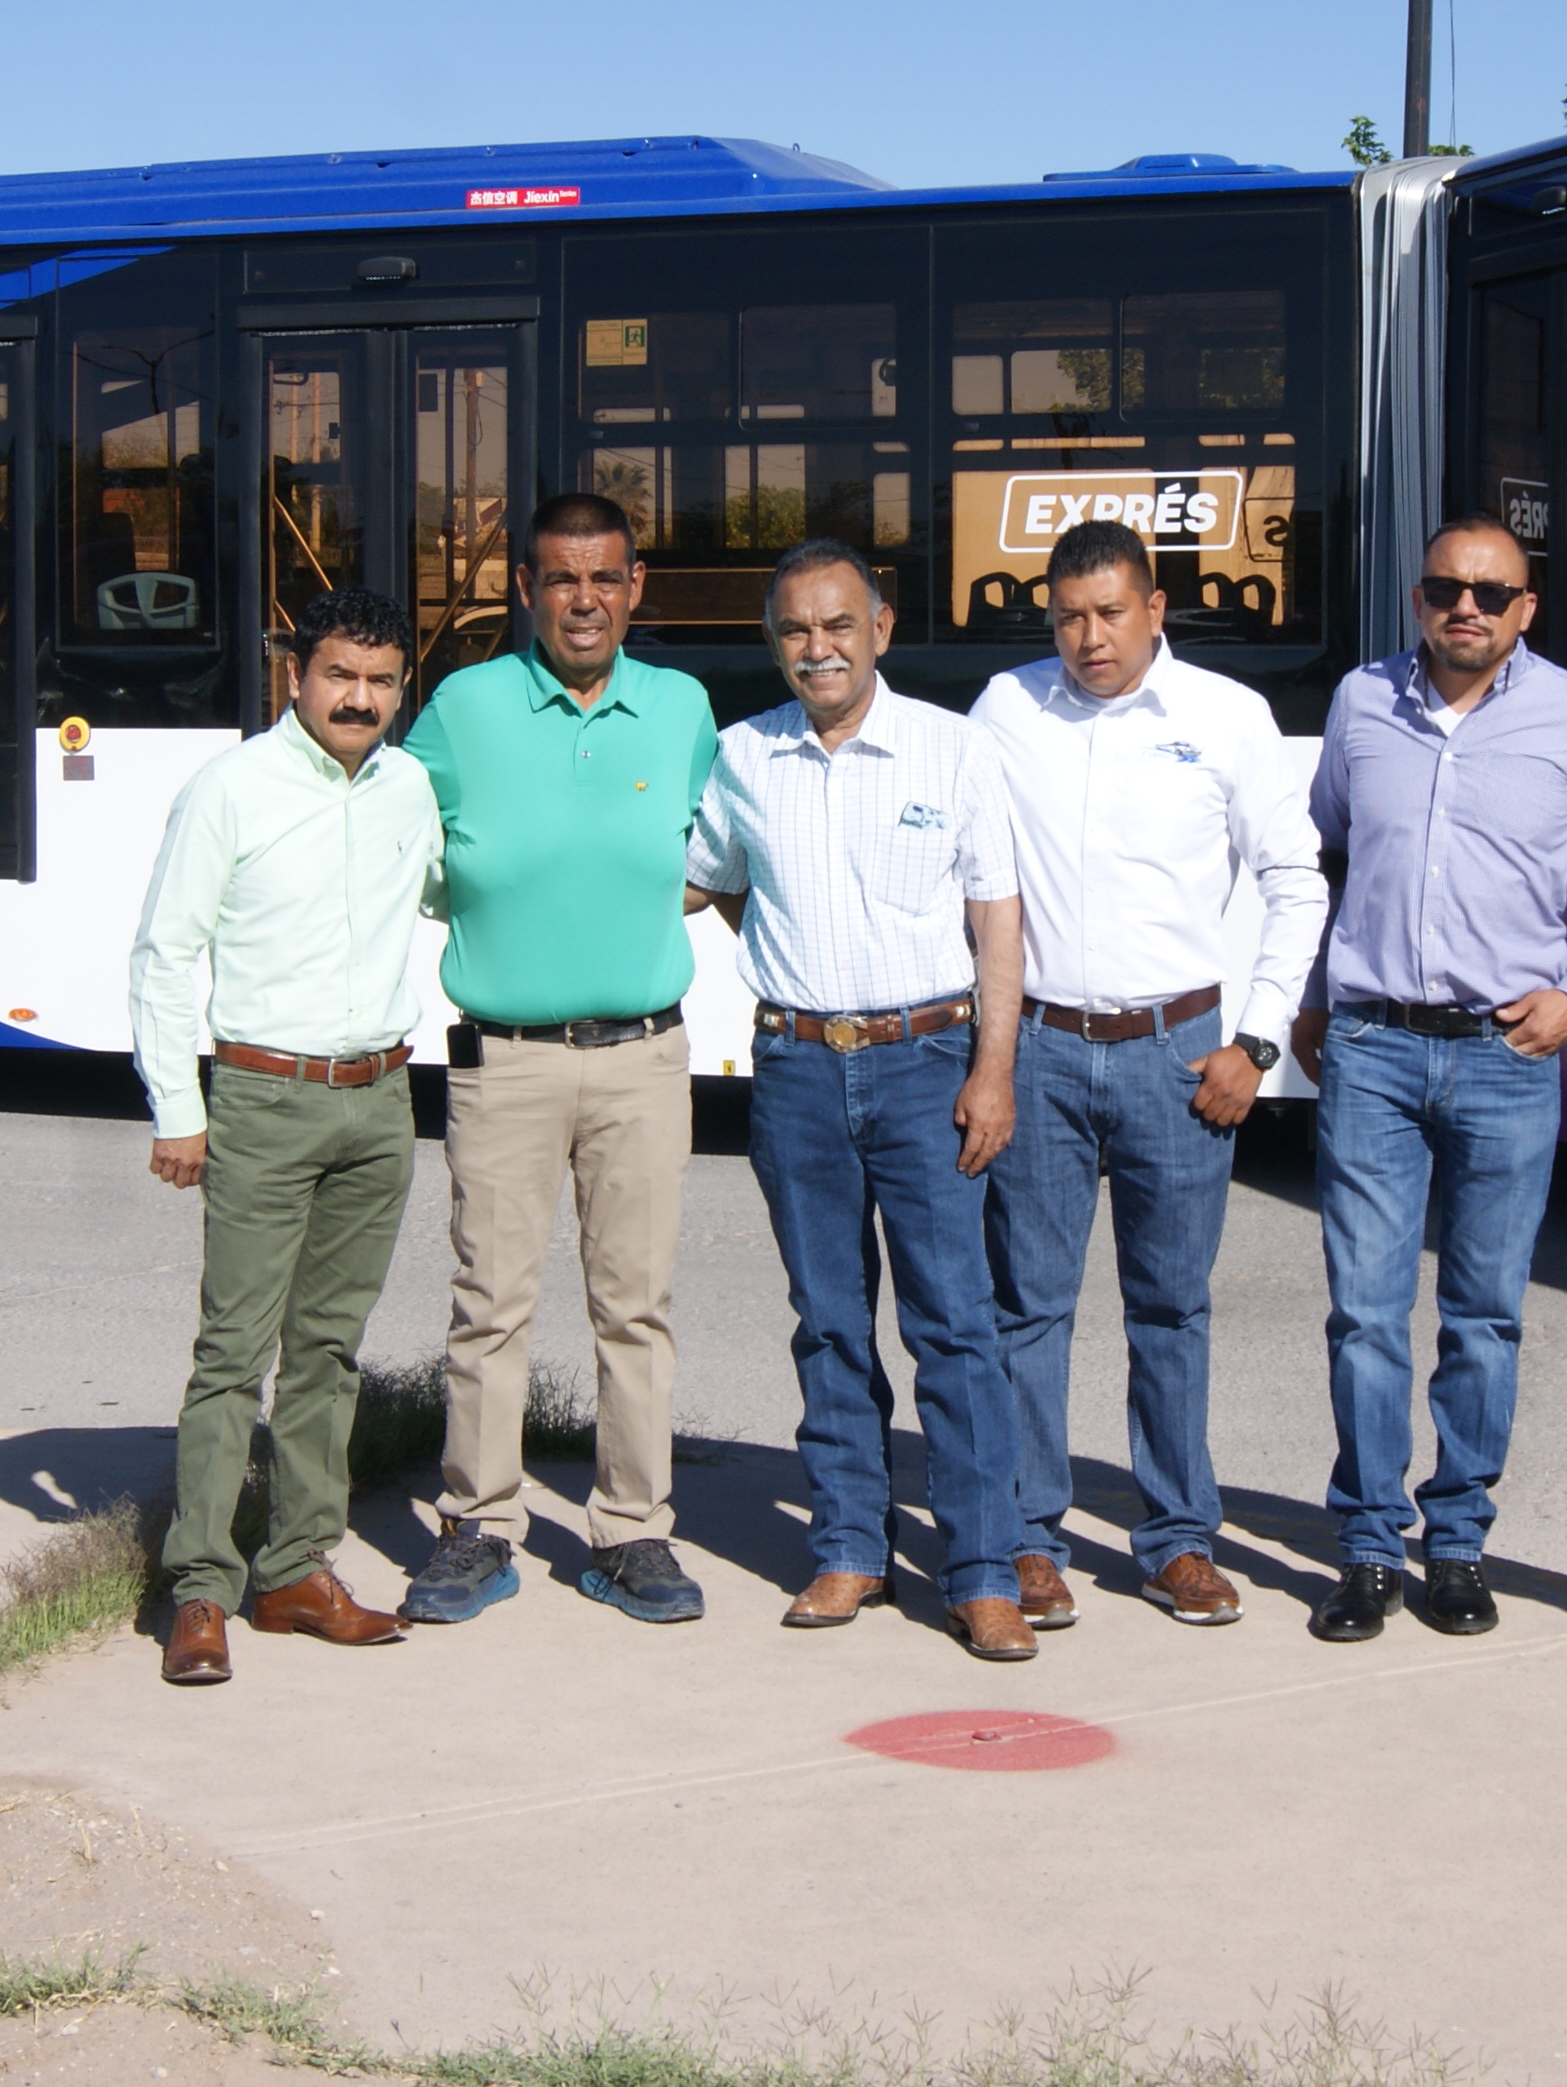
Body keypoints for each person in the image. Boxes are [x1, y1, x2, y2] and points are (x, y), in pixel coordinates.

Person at [681, 540, 1035, 1657]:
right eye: (794, 630)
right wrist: (797, 986)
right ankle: (847, 1547)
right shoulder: (742, 757)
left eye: (837, 625)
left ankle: (980, 1567)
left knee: (953, 1325)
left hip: (927, 1063)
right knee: (828, 1320)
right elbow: (712, 883)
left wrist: (992, 1068)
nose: (815, 648)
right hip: (793, 1070)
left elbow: (997, 921)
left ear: (879, 629)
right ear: (773, 642)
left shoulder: (952, 748)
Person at [971, 519, 1327, 1629]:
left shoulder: (1226, 717)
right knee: (1026, 1307)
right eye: (1068, 614)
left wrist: (1256, 1040)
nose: (1089, 636)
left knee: (1170, 1306)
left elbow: (1295, 881)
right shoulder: (1004, 710)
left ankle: (1176, 1536)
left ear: (1154, 605)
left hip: (1182, 1055)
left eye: (1110, 611)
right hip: (1037, 1043)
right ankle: (1031, 1537)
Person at [1294, 516, 1567, 1642]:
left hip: (1502, 1051)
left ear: (1525, 608)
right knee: (1365, 1316)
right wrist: (1308, 996)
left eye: (1491, 591)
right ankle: (1367, 1546)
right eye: (1445, 587)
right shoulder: (1358, 703)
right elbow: (1323, 854)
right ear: (1418, 597)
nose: (1465, 607)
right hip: (1373, 1045)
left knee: (1483, 1316)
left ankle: (1459, 1542)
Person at [395, 495, 716, 1629]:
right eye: (559, 579)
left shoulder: (680, 706)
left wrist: (631, 909)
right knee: (491, 1304)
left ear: (635, 588)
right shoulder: (464, 704)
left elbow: (717, 848)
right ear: (526, 591)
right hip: (507, 1062)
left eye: (604, 578)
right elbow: (399, 828)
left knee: (636, 1307)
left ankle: (631, 1532)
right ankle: (474, 1525)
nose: (583, 599)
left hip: (640, 1056)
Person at [135, 588, 447, 1691]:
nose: (359, 698)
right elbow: (165, 953)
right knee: (232, 1355)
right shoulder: (228, 789)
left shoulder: (410, 787)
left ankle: (296, 1569)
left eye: (379, 680)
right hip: (263, 1097)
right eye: (338, 677)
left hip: (380, 1100)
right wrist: (180, 1106)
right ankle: (201, 1590)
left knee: (326, 1351)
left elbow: (455, 889)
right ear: (295, 677)